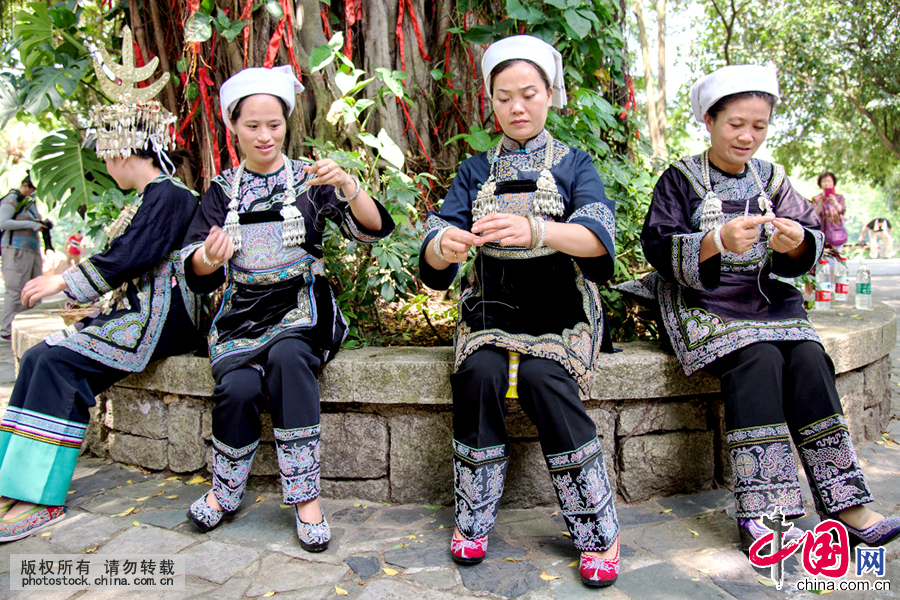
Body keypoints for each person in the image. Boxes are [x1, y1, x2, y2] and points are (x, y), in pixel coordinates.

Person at [638, 64, 900, 555]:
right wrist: (714, 240)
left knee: (807, 357)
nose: (747, 136)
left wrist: (797, 240)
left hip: (764, 300)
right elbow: (657, 244)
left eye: (759, 126)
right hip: (705, 303)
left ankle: (845, 504)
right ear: (709, 120)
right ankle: (764, 514)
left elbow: (807, 238)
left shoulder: (773, 177)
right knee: (757, 359)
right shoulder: (680, 179)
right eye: (736, 123)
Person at [418, 36, 620, 587]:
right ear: (491, 101)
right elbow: (436, 242)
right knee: (479, 375)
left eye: (529, 93)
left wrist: (539, 229)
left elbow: (601, 239)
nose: (517, 107)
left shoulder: (575, 164)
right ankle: (475, 514)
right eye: (504, 96)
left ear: (550, 95)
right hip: (492, 305)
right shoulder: (475, 170)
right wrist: (446, 246)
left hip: (561, 306)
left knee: (541, 376)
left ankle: (596, 526)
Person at [0, 27, 202, 542]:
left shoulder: (170, 195)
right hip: (134, 317)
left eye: (106, 151)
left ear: (121, 149)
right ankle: (16, 481)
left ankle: (40, 494)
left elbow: (130, 258)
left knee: (54, 361)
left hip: (159, 322)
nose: (104, 163)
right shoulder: (153, 197)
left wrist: (59, 282)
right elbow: (127, 261)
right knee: (46, 354)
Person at [181, 65, 394, 553]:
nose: (264, 135)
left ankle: (305, 499)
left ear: (287, 124)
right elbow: (195, 272)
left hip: (301, 302)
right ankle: (225, 491)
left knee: (288, 358)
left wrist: (349, 186)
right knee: (236, 386)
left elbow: (373, 229)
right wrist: (208, 256)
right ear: (233, 126)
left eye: (273, 125)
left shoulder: (310, 178)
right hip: (241, 312)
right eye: (252, 126)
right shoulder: (220, 191)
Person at [0, 173, 44, 340]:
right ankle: (7, 331)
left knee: (33, 289)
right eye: (32, 189)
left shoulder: (29, 202)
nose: (32, 192)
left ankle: (28, 327)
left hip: (30, 248)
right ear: (25, 186)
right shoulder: (12, 198)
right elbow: (3, 222)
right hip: (15, 249)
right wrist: (32, 224)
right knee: (16, 290)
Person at [811, 171, 847, 260]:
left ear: (833, 183)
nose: (826, 184)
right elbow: (813, 214)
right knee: (822, 258)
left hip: (836, 231)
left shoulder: (839, 198)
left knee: (837, 257)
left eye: (829, 181)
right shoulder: (816, 198)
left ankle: (836, 273)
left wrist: (834, 202)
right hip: (821, 230)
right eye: (824, 181)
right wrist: (821, 203)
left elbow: (842, 210)